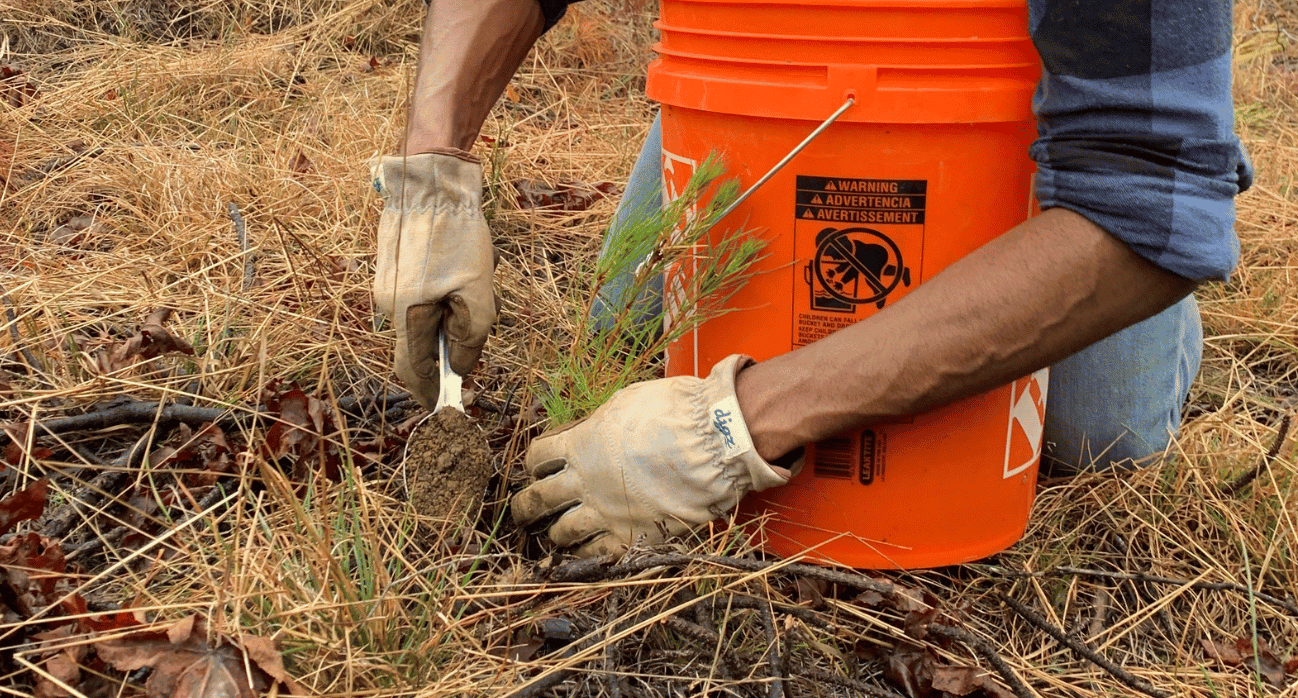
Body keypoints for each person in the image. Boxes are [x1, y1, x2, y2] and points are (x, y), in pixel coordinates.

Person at [372, 0, 1252, 557]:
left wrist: (733, 427)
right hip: (772, 58)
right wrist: (431, 167)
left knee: (1096, 432)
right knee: (626, 338)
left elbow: (1146, 201)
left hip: (1018, 92)